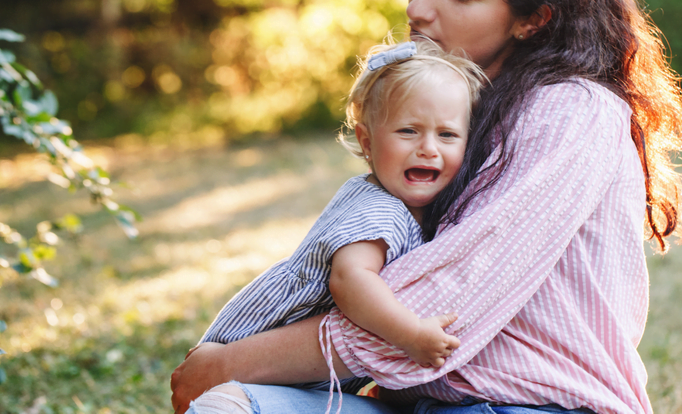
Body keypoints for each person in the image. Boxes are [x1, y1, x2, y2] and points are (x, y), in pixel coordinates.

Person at [171, 0, 682, 414]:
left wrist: (229, 361)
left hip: (530, 408)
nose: (418, 7)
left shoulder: (572, 111)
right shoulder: (464, 103)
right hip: (423, 405)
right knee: (230, 407)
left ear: (532, 19)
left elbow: (441, 306)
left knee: (225, 387)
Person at [186, 40, 486, 412]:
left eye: (447, 135)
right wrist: (411, 335)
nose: (428, 148)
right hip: (252, 355)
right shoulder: (381, 210)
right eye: (408, 131)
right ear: (367, 142)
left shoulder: (412, 209)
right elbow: (350, 282)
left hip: (293, 376)